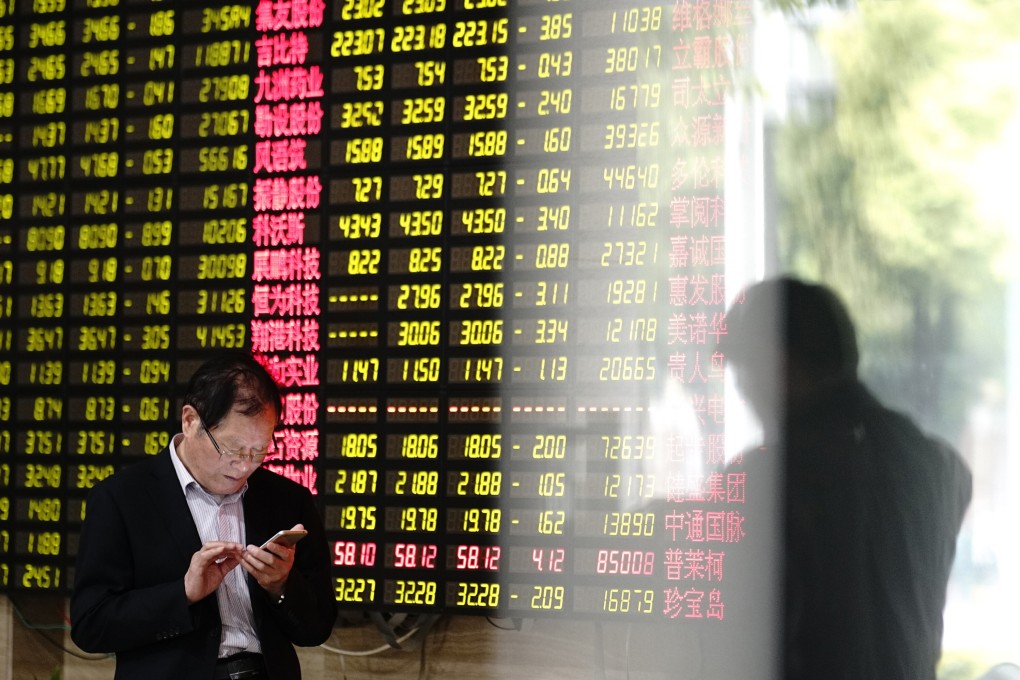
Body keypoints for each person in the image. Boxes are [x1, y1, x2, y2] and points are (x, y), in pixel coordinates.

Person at [719, 276, 972, 680]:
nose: (743, 393)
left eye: (743, 373)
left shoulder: (760, 482)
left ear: (779, 365)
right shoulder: (941, 468)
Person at [71, 351, 337, 680]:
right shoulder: (121, 498)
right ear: (190, 421)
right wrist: (183, 593)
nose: (244, 465)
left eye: (259, 451)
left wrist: (281, 585)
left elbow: (317, 628)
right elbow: (91, 624)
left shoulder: (286, 499)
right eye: (232, 448)